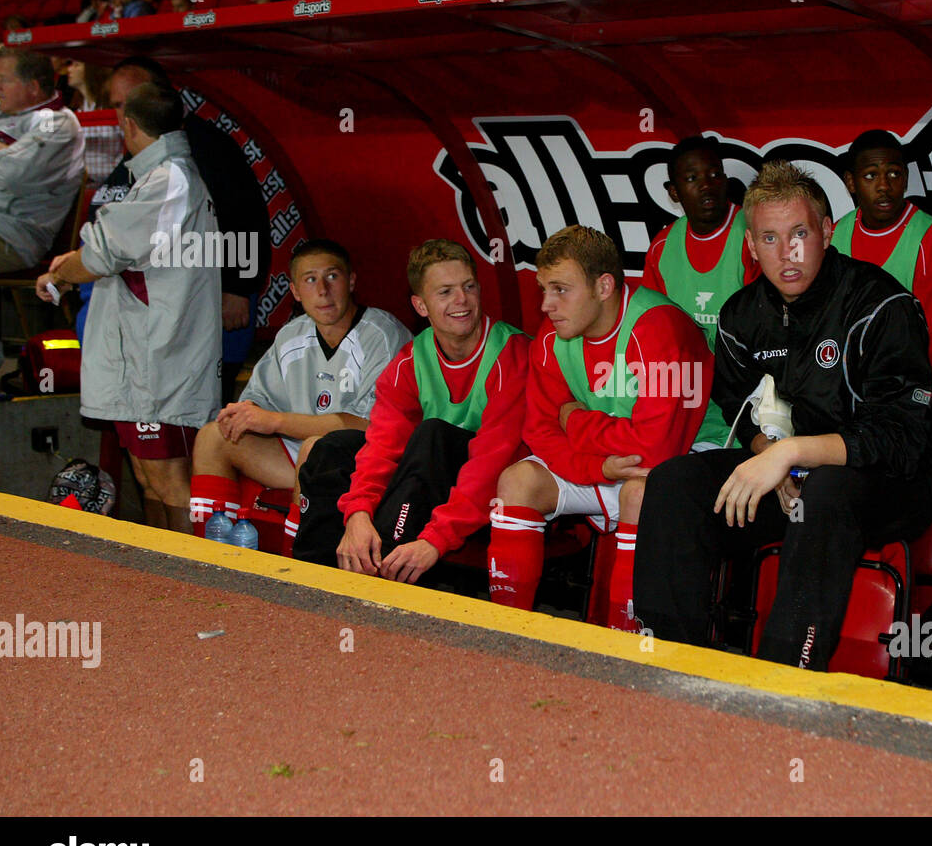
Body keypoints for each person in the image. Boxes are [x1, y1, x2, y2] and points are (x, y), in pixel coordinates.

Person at [633, 160, 932, 669]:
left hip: (894, 481)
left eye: (800, 233)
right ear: (751, 245)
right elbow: (740, 408)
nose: (788, 253)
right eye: (769, 238)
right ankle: (669, 663)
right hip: (797, 472)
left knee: (826, 491)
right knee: (675, 482)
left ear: (827, 232)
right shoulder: (742, 315)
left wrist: (791, 455)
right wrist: (771, 455)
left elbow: (900, 439)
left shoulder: (882, 305)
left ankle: (786, 677)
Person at [487, 225, 727, 625]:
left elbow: (655, 449)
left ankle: (625, 643)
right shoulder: (553, 337)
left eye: (561, 289)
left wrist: (576, 419)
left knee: (638, 491)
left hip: (694, 455)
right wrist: (596, 467)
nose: (547, 304)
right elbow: (540, 431)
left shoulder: (660, 327)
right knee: (517, 481)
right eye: (544, 289)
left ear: (603, 286)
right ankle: (507, 634)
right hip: (603, 460)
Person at [37, 83, 219, 534]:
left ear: (129, 126)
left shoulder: (172, 177)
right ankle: (160, 573)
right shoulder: (162, 174)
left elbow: (104, 254)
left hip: (161, 363)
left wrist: (62, 273)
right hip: (142, 363)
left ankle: (192, 580)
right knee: (147, 477)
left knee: (171, 480)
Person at [293, 239, 529, 583]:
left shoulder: (511, 353)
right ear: (420, 305)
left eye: (468, 287)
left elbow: (491, 463)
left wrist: (436, 539)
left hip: (491, 495)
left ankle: (379, 577)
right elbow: (382, 447)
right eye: (445, 292)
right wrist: (357, 513)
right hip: (431, 489)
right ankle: (315, 582)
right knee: (333, 447)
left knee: (431, 435)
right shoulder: (409, 361)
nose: (461, 300)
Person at [188, 239, 411, 550]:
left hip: (367, 465)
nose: (322, 290)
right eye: (310, 280)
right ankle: (211, 557)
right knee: (213, 437)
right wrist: (244, 412)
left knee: (315, 449)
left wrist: (274, 421)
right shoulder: (292, 334)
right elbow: (257, 401)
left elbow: (366, 426)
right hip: (299, 456)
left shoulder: (383, 335)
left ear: (352, 281)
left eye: (332, 277)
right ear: (294, 291)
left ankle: (292, 566)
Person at [76, 57, 272, 403]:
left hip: (211, 302)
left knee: (208, 404)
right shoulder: (138, 154)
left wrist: (239, 288)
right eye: (118, 105)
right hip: (159, 311)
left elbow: (244, 215)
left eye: (133, 101)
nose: (125, 115)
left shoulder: (207, 148)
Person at [833, 129, 932, 395]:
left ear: (905, 179)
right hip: (846, 393)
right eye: (870, 175)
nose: (883, 186)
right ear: (851, 182)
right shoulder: (835, 236)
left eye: (893, 174)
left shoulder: (931, 241)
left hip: (911, 396)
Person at [640, 134, 759, 351]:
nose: (706, 185)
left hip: (745, 371)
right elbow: (652, 320)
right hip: (691, 374)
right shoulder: (662, 246)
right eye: (692, 178)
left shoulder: (754, 232)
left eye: (714, 174)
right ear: (674, 192)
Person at [0, 47, 85, 276]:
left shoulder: (56, 123)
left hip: (13, 236)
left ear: (33, 87)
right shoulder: (4, 113)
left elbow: (10, 175)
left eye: (3, 80)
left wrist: (9, 155)